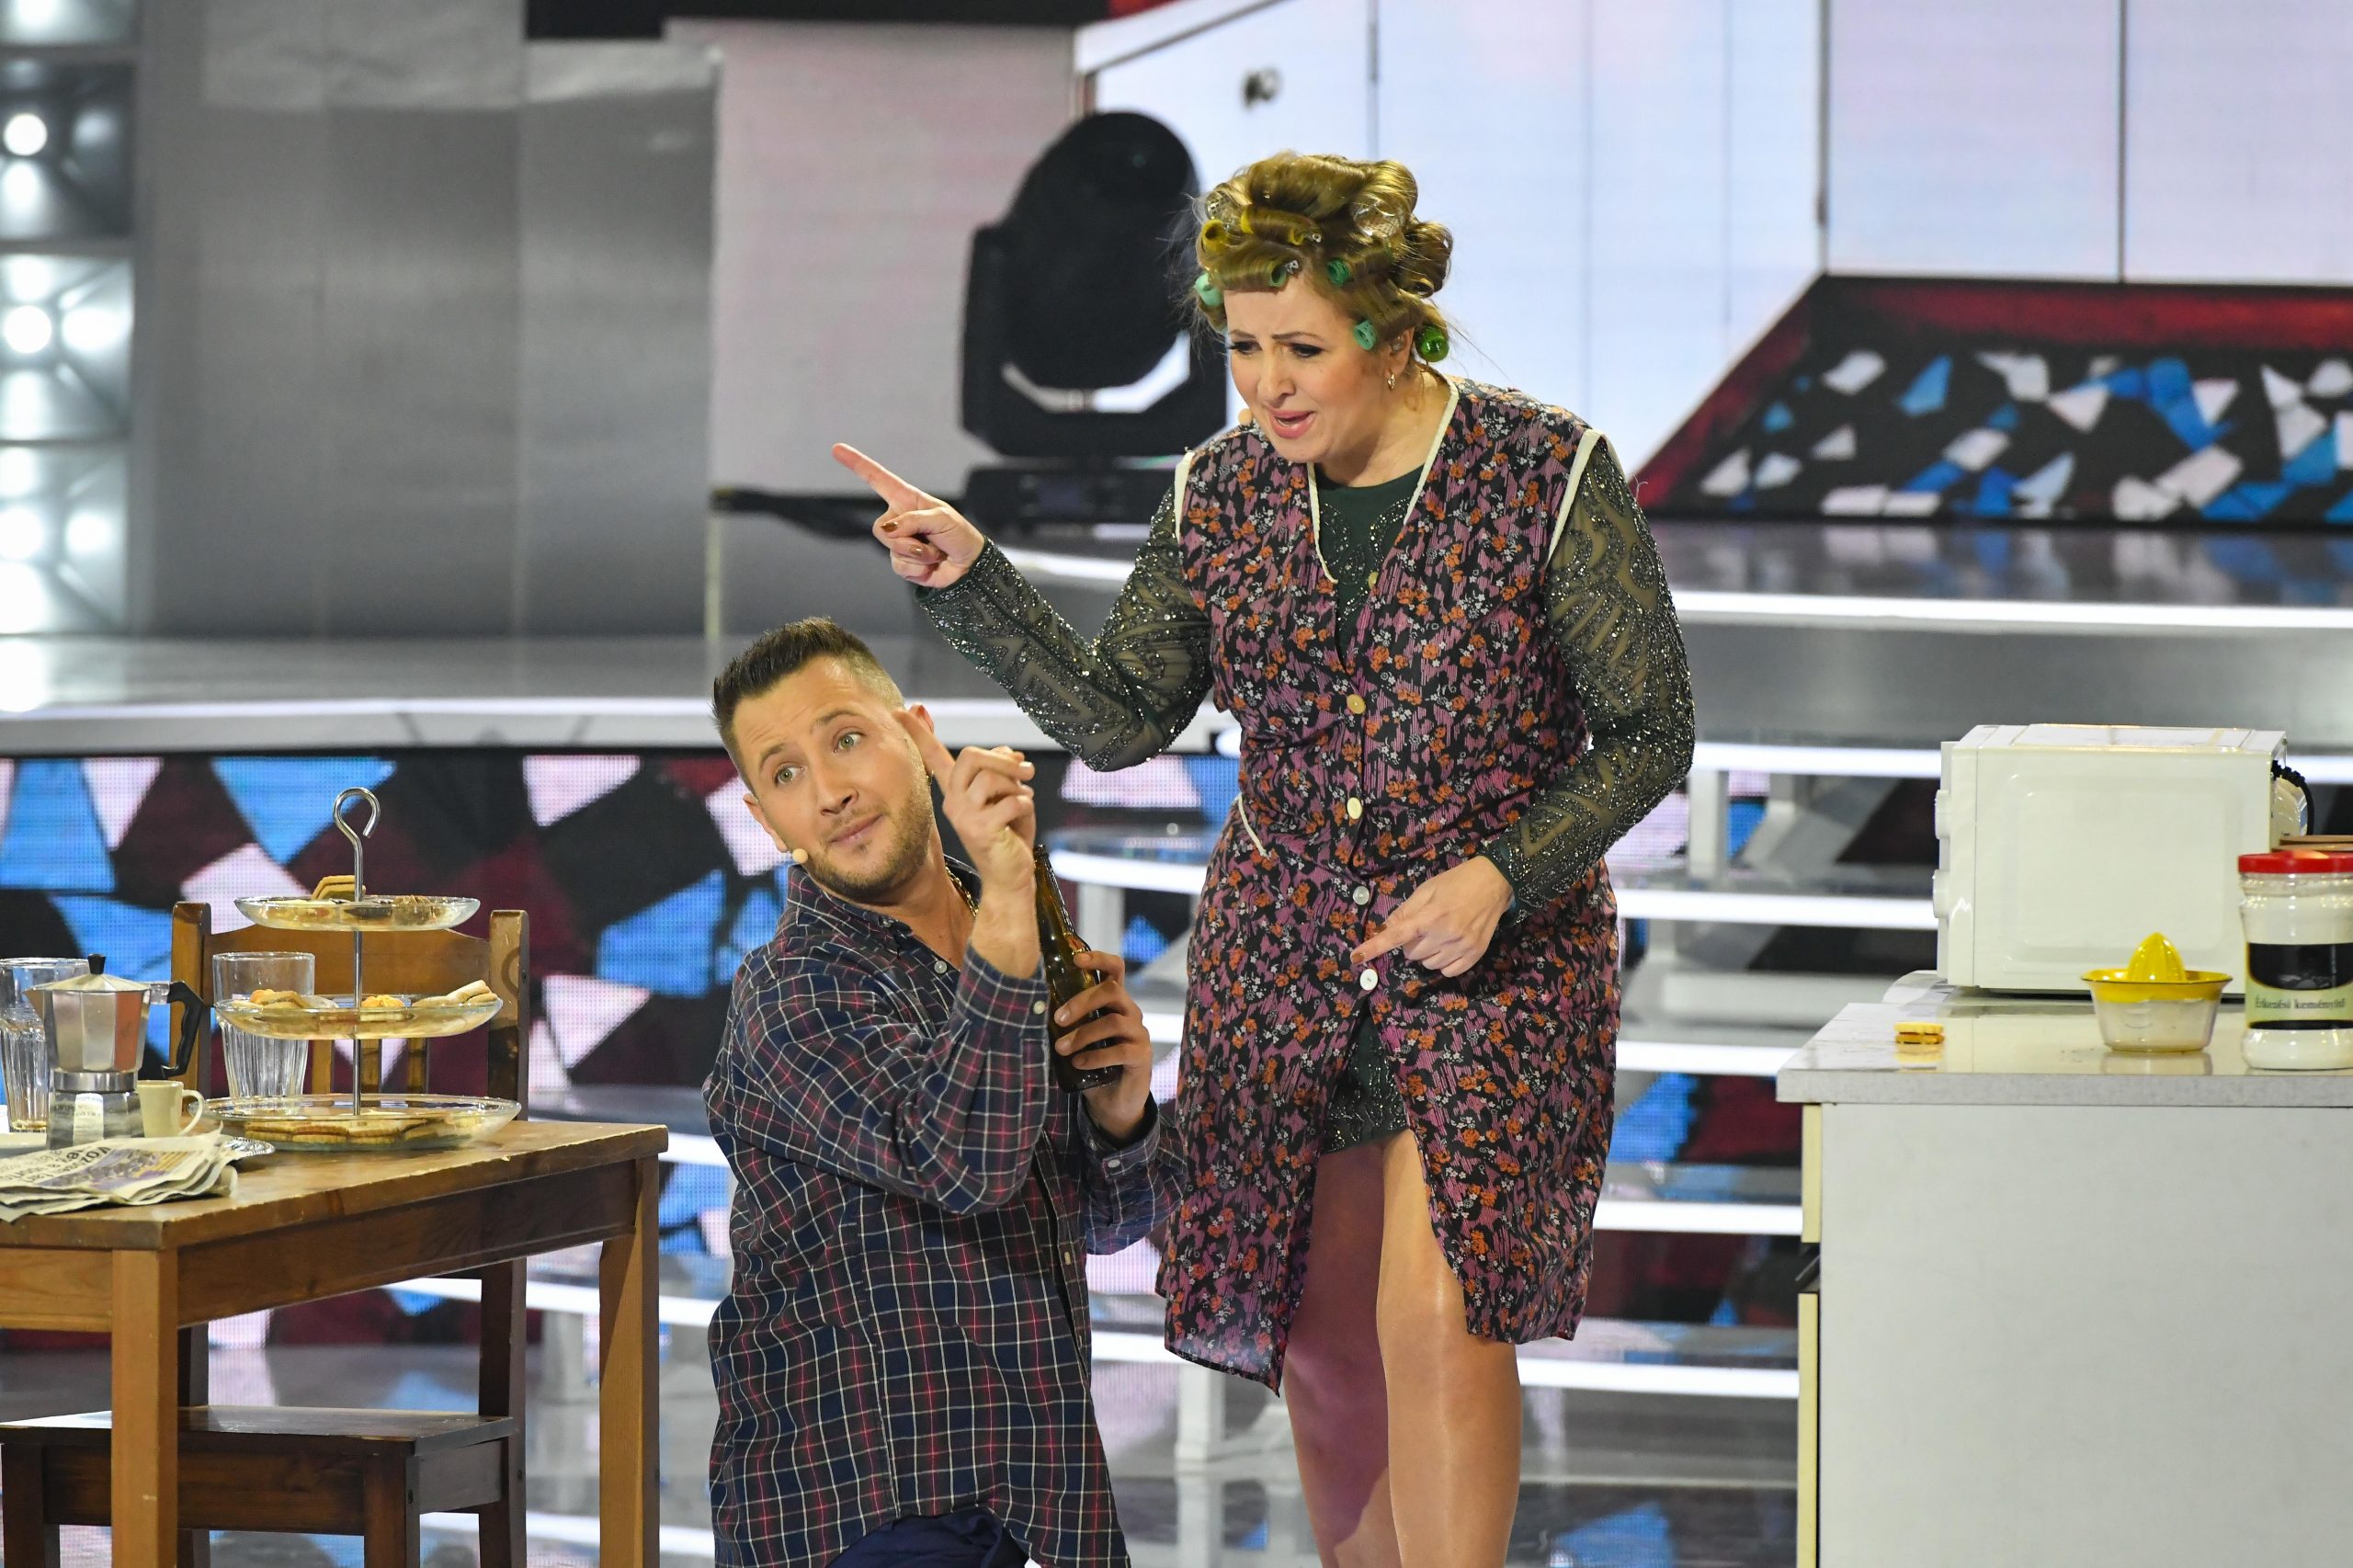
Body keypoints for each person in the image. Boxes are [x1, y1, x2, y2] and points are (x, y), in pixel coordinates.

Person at [835, 151, 1696, 1568]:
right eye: (1243, 348)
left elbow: (1651, 729)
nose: (1267, 385)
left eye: (1302, 347)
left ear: (1392, 332)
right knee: (1323, 1338)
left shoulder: (1546, 473)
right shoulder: (1220, 492)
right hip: (1281, 967)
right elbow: (1122, 716)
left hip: (1496, 966)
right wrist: (973, 578)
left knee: (1441, 1314)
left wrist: (1501, 875)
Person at [702, 618, 1184, 1568]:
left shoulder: (1009, 923)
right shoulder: (790, 989)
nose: (829, 791)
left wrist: (1120, 1113)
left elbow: (1098, 1223)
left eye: (845, 739)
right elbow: (963, 1165)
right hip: (862, 1508)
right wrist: (1008, 903)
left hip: (1032, 1489)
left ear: (916, 736)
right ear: (766, 821)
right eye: (786, 773)